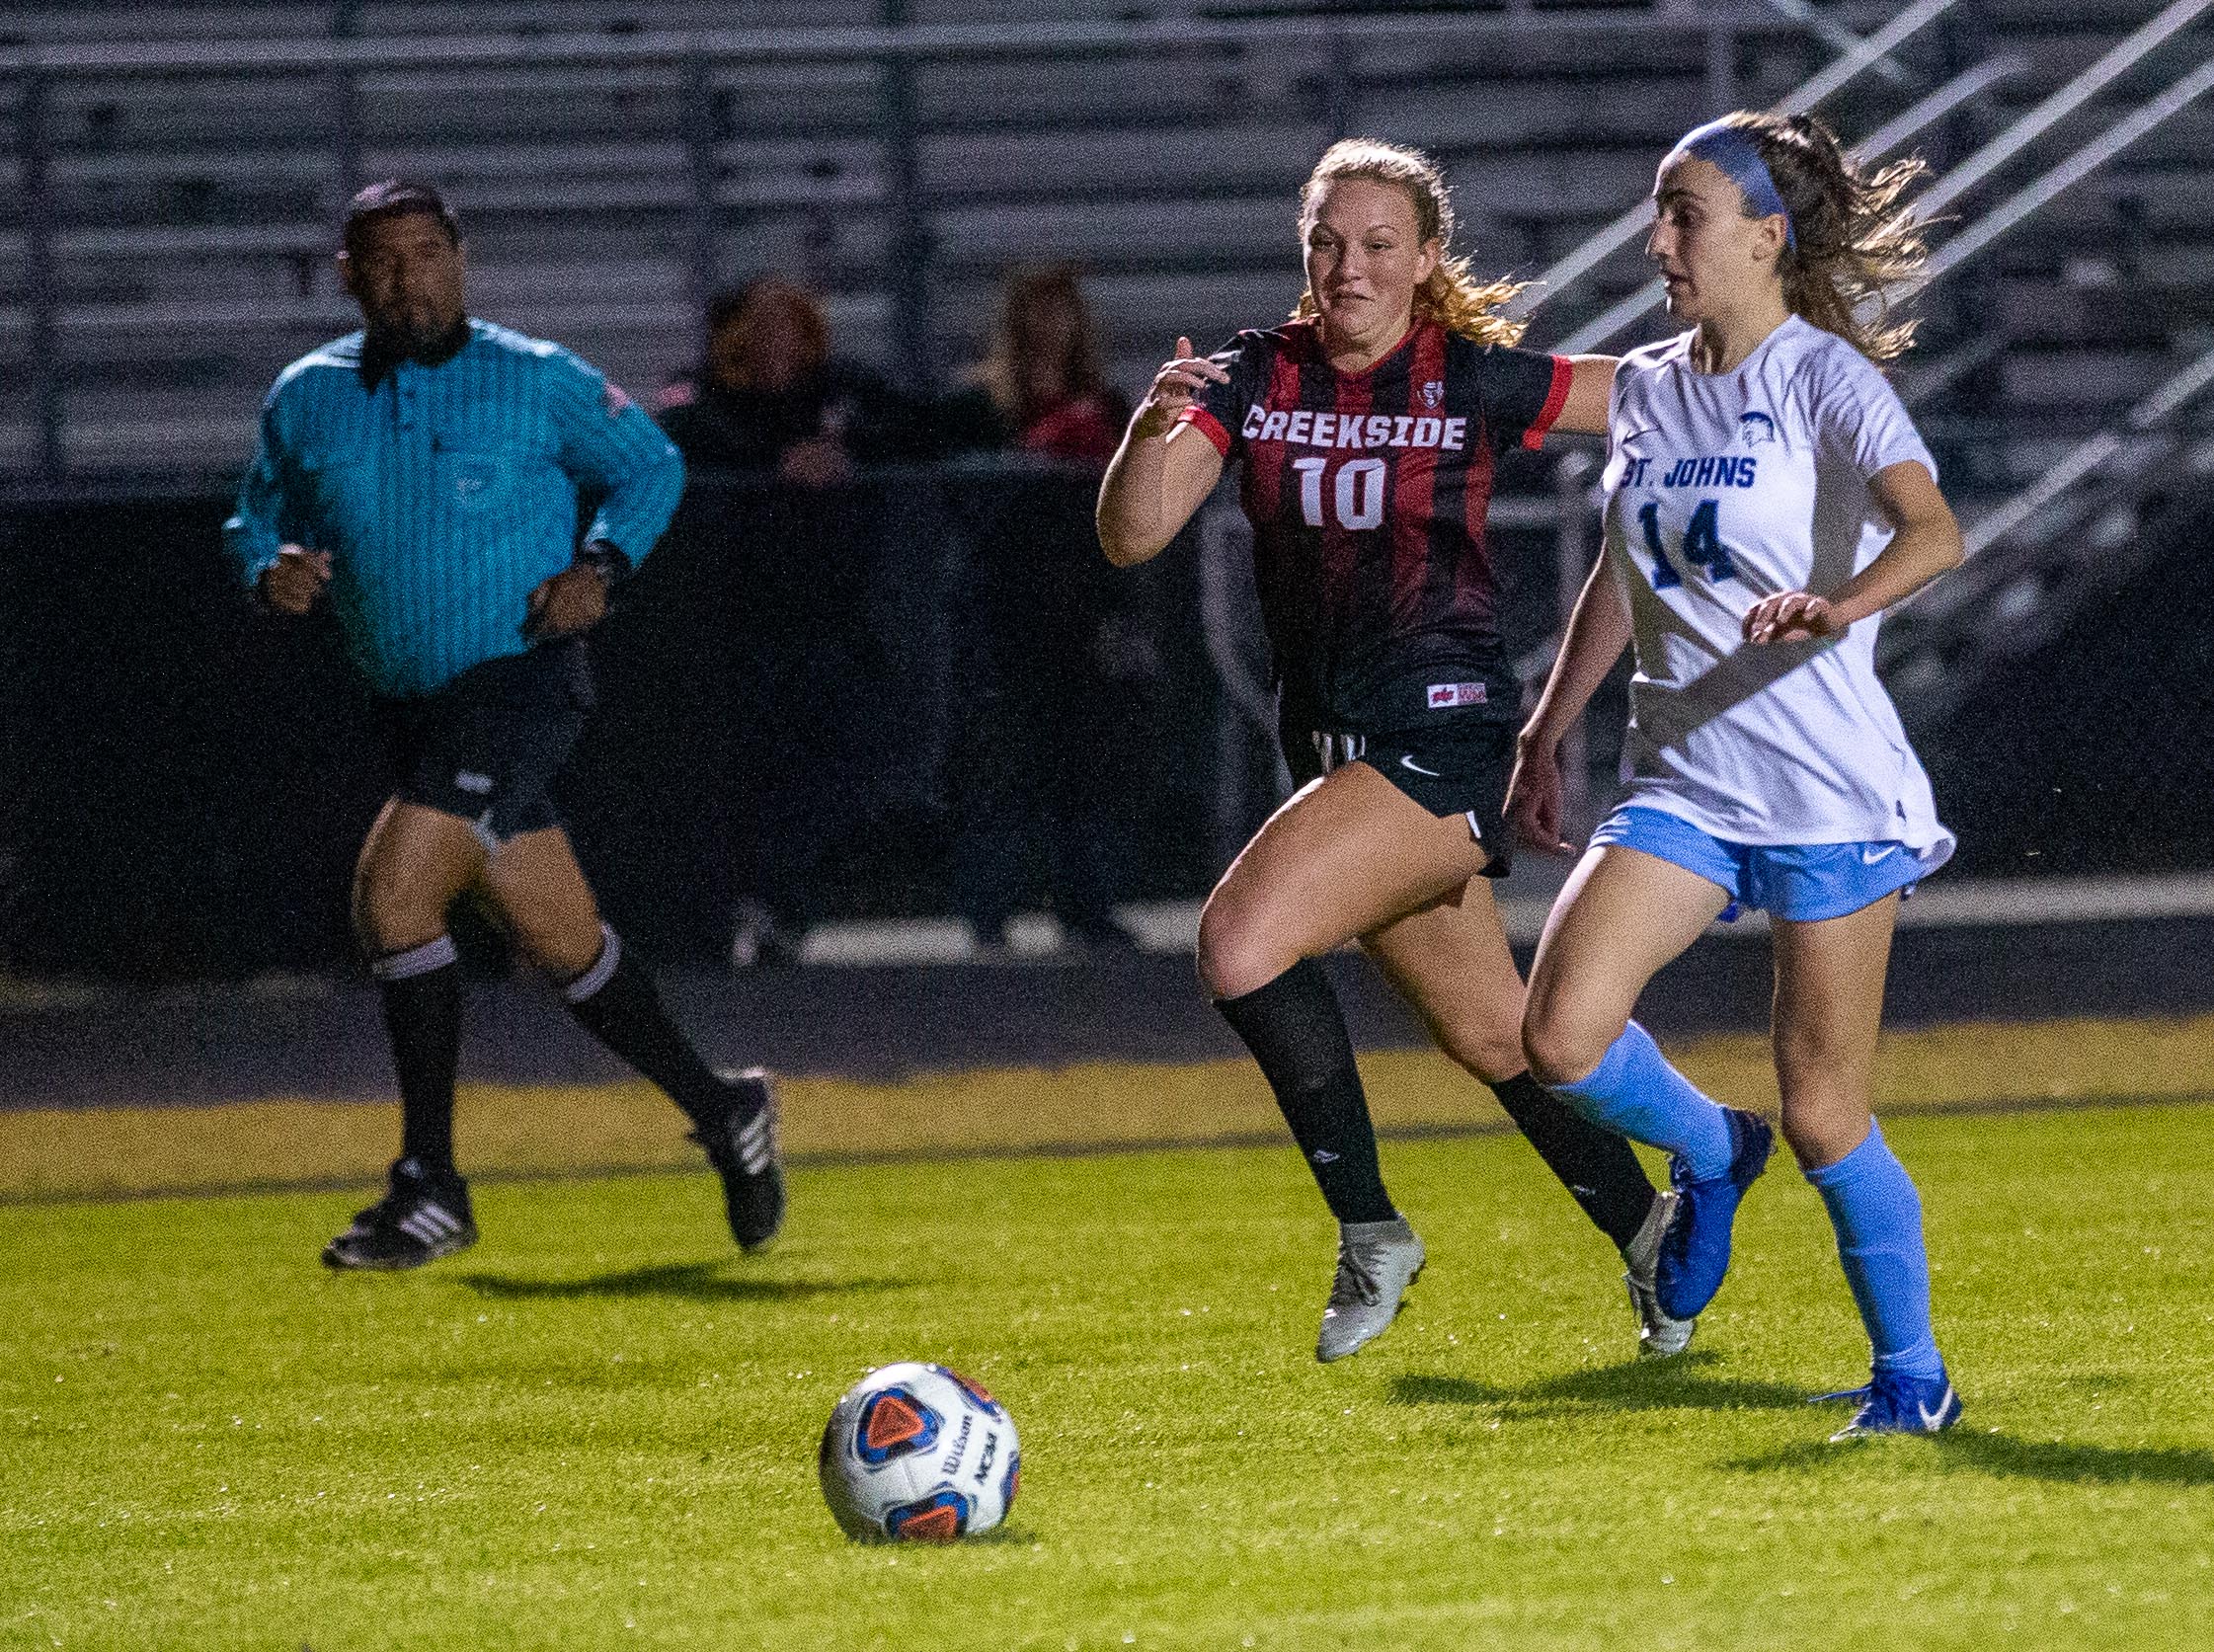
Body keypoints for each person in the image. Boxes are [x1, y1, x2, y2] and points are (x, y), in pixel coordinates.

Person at [1096, 138, 1682, 1364]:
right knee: (1495, 1038)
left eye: (1376, 246)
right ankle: (1653, 1235)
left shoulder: (1465, 377)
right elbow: (1134, 534)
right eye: (1326, 242)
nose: (1348, 267)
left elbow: (1653, 393)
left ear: (1424, 260)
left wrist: (1770, 343)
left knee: (1240, 941)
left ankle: (1372, 1229)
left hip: (1443, 735)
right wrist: (1147, 432)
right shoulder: (1252, 379)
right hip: (1336, 754)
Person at [224, 180, 785, 1270]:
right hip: (408, 705)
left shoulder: (533, 377)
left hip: (518, 683)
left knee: (393, 896)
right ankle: (724, 1107)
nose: (409, 277)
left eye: (428, 252)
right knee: (561, 940)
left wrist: (601, 567)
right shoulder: (308, 396)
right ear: (348, 274)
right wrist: (268, 568)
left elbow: (649, 467)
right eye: (384, 260)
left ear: (461, 257)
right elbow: (260, 510)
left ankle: (429, 1183)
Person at [1508, 113, 1967, 1440]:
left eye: (1683, 215)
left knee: (1826, 1114)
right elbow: (1624, 564)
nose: (1657, 240)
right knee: (1559, 1036)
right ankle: (1710, 1151)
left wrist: (1839, 601)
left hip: (1825, 795)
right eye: (1658, 211)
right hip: (1686, 786)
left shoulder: (1826, 381)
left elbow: (1936, 532)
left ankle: (1912, 1381)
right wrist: (1547, 730)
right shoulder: (1650, 385)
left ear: (1765, 237)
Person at [656, 278, 908, 967]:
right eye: (761, 329)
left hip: (831, 625)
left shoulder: (839, 391)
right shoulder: (705, 396)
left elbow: (930, 424)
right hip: (737, 629)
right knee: (743, 778)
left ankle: (781, 902)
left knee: (850, 766)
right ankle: (748, 907)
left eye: (790, 327)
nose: (777, 344)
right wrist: (775, 464)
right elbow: (669, 429)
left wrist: (847, 448)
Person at [941, 265, 1146, 951]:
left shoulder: (1106, 403)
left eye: (1061, 309)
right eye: (1036, 308)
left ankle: (1085, 902)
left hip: (1081, 601)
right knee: (1002, 761)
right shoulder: (980, 405)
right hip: (1001, 604)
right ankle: (989, 908)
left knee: (1083, 758)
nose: (1049, 324)